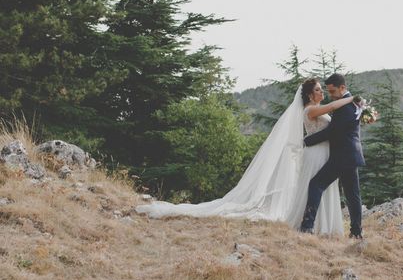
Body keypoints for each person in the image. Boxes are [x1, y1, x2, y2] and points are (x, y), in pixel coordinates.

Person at [135, 78, 354, 235]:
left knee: (323, 189)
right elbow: (334, 106)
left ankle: (323, 226)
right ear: (309, 94)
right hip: (316, 154)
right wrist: (351, 99)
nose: (321, 93)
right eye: (317, 90)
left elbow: (334, 115)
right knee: (315, 187)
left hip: (324, 153)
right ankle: (311, 226)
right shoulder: (309, 110)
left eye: (321, 90)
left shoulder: (318, 108)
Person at [300, 73, 365, 238]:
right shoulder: (353, 103)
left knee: (316, 184)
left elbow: (331, 131)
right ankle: (356, 232)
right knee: (352, 194)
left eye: (332, 91)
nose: (329, 95)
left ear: (342, 88)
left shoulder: (346, 105)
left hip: (342, 156)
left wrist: (306, 141)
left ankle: (307, 226)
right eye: (325, 91)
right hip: (350, 154)